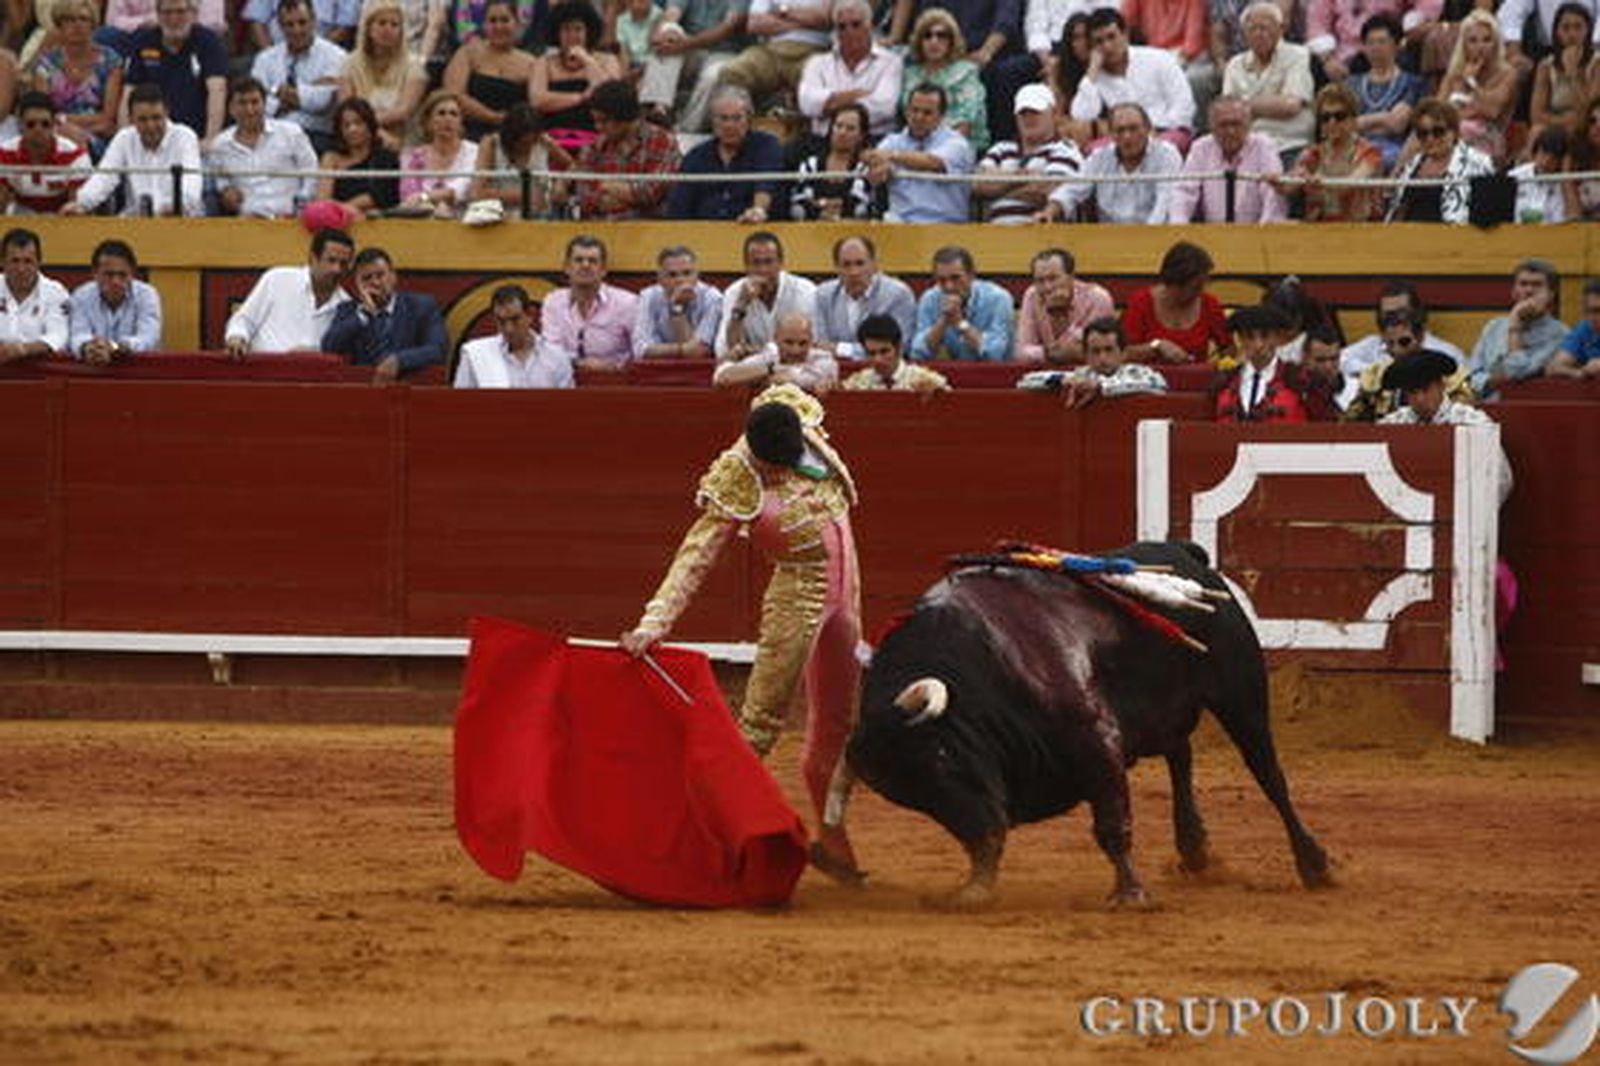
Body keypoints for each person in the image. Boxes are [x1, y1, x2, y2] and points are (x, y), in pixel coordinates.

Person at [620, 384, 867, 884]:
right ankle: (697, 839)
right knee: (757, 729)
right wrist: (653, 623)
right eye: (776, 466)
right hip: (796, 599)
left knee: (838, 726)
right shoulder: (738, 476)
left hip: (846, 600)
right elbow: (696, 555)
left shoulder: (798, 418)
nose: (787, 469)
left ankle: (834, 843)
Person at [1380, 348, 1513, 507]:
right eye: (1413, 392)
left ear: (1441, 386)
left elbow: (1501, 478)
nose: (1420, 399)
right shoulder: (1392, 425)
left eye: (1425, 390)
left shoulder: (1472, 423)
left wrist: (1470, 510)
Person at [61, 84, 204, 216]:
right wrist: (81, 204)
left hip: (180, 221)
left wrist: (171, 208)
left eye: (156, 118)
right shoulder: (124, 138)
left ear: (167, 113)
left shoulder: (185, 136)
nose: (150, 126)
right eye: (142, 120)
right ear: (131, 119)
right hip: (136, 222)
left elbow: (191, 190)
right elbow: (104, 177)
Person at [1069, 9, 1196, 147]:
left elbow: (1184, 105)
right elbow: (1081, 115)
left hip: (1168, 130)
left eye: (1111, 37)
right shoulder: (1096, 77)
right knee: (1093, 150)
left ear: (1125, 35)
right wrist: (1092, 71)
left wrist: (1156, 131)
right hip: (1125, 138)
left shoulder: (1158, 58)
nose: (1107, 46)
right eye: (1099, 41)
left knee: (1161, 148)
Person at [1039, 102, 1181, 224]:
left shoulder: (1167, 155)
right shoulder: (1100, 157)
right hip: (1107, 237)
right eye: (1120, 130)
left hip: (1155, 235)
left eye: (1133, 128)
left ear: (1148, 129)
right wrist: (1050, 211)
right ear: (1111, 134)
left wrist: (1145, 237)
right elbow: (1073, 189)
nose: (1127, 136)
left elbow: (1165, 205)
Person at [1338, 279, 1466, 413]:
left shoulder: (1448, 353)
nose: (1394, 318)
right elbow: (1339, 360)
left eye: (1401, 311)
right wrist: (1377, 372)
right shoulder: (1373, 344)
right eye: (1387, 314)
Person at [321, 248, 447, 383]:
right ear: (357, 284)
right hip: (364, 387)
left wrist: (399, 360)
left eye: (380, 275)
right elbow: (329, 347)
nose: (375, 283)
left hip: (407, 386)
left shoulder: (421, 306)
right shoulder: (349, 310)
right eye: (367, 278)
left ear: (393, 277)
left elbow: (437, 349)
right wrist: (363, 315)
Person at [224, 228, 354, 355]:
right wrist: (237, 337)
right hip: (264, 366)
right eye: (331, 260)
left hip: (312, 369)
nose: (337, 269)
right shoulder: (277, 279)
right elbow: (243, 320)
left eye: (343, 264)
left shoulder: (347, 305)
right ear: (313, 259)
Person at [208, 76, 321, 219]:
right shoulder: (220, 144)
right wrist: (226, 191)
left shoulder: (291, 132)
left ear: (265, 104)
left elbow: (312, 172)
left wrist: (301, 206)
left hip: (292, 219)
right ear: (231, 108)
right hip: (248, 222)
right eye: (242, 103)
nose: (249, 110)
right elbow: (222, 182)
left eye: (255, 102)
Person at [667, 85, 783, 222]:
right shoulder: (695, 156)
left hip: (750, 227)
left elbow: (766, 183)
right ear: (712, 121)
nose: (729, 125)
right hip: (703, 230)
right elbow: (679, 206)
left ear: (749, 119)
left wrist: (758, 210)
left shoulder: (766, 145)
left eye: (737, 118)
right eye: (723, 118)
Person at [570, 79, 681, 220]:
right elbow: (584, 195)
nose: (598, 127)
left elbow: (652, 192)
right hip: (600, 226)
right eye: (596, 121)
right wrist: (626, 196)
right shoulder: (594, 146)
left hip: (648, 227)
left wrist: (606, 186)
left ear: (625, 117)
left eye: (604, 121)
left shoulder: (662, 141)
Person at [973, 83, 1083, 224]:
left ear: (1054, 113)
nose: (1028, 118)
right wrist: (1019, 177)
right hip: (996, 233)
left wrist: (998, 187)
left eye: (1035, 112)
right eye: (1023, 113)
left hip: (1043, 232)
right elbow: (978, 184)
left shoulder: (1065, 149)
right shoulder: (1001, 148)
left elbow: (1049, 191)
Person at [865, 82, 974, 223]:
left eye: (927, 113)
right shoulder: (892, 141)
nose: (919, 117)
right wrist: (878, 167)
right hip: (900, 224)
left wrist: (893, 156)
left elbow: (933, 162)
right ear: (906, 111)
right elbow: (874, 160)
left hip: (946, 225)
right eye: (914, 110)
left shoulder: (957, 143)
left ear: (941, 116)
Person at [251, 0, 349, 156]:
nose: (296, 30)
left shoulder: (336, 56)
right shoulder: (265, 59)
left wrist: (281, 94)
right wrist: (307, 92)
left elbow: (323, 101)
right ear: (280, 26)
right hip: (272, 135)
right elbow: (256, 104)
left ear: (314, 21)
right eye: (289, 24)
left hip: (316, 136)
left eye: (302, 22)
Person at [120, 0, 227, 141]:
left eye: (180, 12)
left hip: (196, 136)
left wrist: (210, 139)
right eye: (167, 12)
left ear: (193, 14)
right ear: (158, 15)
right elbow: (128, 93)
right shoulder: (144, 42)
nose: (174, 19)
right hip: (151, 136)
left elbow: (217, 90)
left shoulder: (209, 42)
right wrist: (125, 138)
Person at [1170, 95, 1286, 223]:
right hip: (1213, 232)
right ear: (1211, 126)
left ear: (1249, 124)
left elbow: (1272, 195)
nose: (1230, 131)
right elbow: (1184, 192)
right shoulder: (1201, 147)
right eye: (1223, 125)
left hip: (1257, 231)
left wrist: (1264, 232)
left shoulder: (1264, 146)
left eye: (1236, 124)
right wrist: (1178, 227)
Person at [1222, 1, 1314, 162]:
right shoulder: (1235, 64)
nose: (1259, 34)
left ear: (1280, 30)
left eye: (1264, 28)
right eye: (1252, 29)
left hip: (1289, 143)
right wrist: (1273, 103)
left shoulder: (1298, 55)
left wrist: (1244, 104)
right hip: (1246, 146)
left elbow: (1290, 106)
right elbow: (1229, 112)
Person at [796, 0, 903, 138]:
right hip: (823, 139)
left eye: (856, 24)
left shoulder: (890, 62)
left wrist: (829, 104)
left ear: (870, 26)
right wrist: (856, 95)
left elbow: (884, 108)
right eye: (842, 27)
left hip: (872, 140)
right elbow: (807, 104)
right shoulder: (817, 63)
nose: (849, 31)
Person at [637, 0, 748, 132]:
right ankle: (659, 109)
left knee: (713, 75)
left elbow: (727, 28)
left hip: (724, 52)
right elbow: (672, 14)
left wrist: (685, 44)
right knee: (668, 32)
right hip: (690, 48)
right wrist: (667, 34)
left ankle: (686, 129)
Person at [29, 0, 123, 153]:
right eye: (69, 20)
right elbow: (42, 113)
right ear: (59, 26)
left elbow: (107, 118)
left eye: (83, 19)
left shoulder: (110, 60)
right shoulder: (46, 64)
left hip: (97, 134)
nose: (77, 25)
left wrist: (65, 121)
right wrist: (63, 127)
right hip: (54, 132)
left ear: (93, 25)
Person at [1465, 259, 1568, 399]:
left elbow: (1515, 373)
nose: (1529, 291)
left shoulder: (1561, 335)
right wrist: (1491, 380)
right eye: (1523, 284)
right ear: (1514, 292)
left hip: (1528, 407)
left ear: (1551, 294)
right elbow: (1470, 377)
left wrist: (1515, 327)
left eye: (1537, 285)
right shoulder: (1494, 327)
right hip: (1485, 405)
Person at [1212, 304, 1334, 422]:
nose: (1258, 345)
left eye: (1265, 336)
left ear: (1278, 338)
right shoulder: (1224, 382)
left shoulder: (1303, 379)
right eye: (1250, 337)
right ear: (1240, 339)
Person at [1384, 97, 1495, 223]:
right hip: (1407, 232)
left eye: (1438, 132)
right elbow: (1399, 208)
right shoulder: (1413, 163)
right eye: (1423, 133)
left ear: (1454, 132)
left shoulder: (1478, 162)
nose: (1430, 139)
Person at [531, 0, 623, 152]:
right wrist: (581, 97)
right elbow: (538, 100)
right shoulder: (544, 62)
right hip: (553, 142)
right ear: (557, 33)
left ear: (588, 31)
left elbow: (613, 96)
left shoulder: (608, 60)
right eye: (566, 30)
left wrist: (587, 60)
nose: (572, 35)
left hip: (597, 141)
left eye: (578, 29)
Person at [1282, 83, 1382, 223]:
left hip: (1360, 229)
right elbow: (1287, 188)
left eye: (1339, 116)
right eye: (1325, 118)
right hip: (1319, 229)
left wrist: (1322, 181)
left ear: (1353, 120)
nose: (1332, 123)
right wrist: (1280, 181)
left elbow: (1351, 183)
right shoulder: (1313, 154)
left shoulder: (1370, 153)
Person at [1017, 314, 1168, 406]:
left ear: (1123, 353)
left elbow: (1159, 384)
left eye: (1109, 350)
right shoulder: (1081, 375)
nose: (1102, 358)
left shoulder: (1138, 373)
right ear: (1085, 355)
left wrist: (1100, 386)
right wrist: (1061, 380)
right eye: (1095, 351)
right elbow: (1024, 381)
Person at [441, 0, 538, 141]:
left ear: (516, 24)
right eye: (492, 21)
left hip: (514, 137)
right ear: (484, 25)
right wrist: (492, 117)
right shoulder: (468, 53)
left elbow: (535, 105)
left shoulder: (531, 63)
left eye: (505, 20)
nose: (498, 26)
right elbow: (454, 94)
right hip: (469, 133)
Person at [543, 235, 640, 372]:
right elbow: (550, 351)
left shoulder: (627, 303)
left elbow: (640, 351)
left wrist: (614, 367)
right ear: (567, 267)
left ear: (603, 270)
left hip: (615, 379)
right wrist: (578, 363)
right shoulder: (554, 301)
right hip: (565, 377)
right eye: (578, 260)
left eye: (592, 261)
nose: (585, 265)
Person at [715, 231, 817, 362]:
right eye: (756, 263)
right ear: (746, 266)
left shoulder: (804, 291)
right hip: (751, 370)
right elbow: (724, 350)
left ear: (781, 263)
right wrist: (741, 306)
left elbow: (812, 346)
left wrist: (753, 351)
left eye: (769, 262)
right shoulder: (734, 292)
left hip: (796, 367)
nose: (763, 270)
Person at [1122, 240, 1230, 363]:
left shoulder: (1209, 304)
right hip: (1147, 374)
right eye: (1195, 287)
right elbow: (1124, 353)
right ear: (1174, 283)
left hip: (1197, 374)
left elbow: (1228, 349)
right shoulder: (1140, 303)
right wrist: (1156, 346)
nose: (1200, 292)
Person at [712, 0, 832, 112]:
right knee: (732, 72)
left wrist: (781, 11)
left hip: (811, 51)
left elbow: (824, 17)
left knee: (820, 79)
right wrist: (805, 23)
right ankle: (740, 121)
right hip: (771, 51)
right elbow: (754, 24)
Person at [898, 7, 989, 153]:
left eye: (941, 36)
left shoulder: (966, 72)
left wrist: (929, 153)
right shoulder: (910, 73)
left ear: (951, 41)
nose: (934, 41)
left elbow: (964, 124)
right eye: (927, 36)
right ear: (919, 41)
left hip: (956, 146)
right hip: (914, 143)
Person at [338, 0, 428, 147]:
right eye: (382, 23)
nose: (388, 29)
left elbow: (404, 111)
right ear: (368, 28)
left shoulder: (414, 66)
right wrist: (375, 131)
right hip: (357, 138)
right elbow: (345, 107)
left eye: (394, 25)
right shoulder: (349, 64)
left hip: (401, 140)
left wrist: (367, 125)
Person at [813, 235, 916, 360]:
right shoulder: (824, 295)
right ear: (836, 267)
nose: (854, 272)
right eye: (846, 265)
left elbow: (899, 347)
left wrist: (840, 349)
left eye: (860, 263)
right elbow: (821, 348)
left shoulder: (898, 295)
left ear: (874, 264)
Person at [454, 284, 574, 389]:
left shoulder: (557, 357)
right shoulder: (476, 355)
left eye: (515, 319)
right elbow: (461, 402)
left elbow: (567, 404)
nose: (509, 329)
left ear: (529, 316)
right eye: (501, 321)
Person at [1437, 9, 1517, 163]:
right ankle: (1399, 175)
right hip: (1451, 132)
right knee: (1420, 133)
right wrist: (1468, 110)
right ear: (1464, 45)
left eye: (1487, 40)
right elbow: (1437, 111)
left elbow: (1492, 112)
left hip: (1490, 136)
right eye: (1473, 41)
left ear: (1496, 43)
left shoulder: (1508, 74)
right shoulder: (1454, 73)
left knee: (1459, 130)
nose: (1480, 47)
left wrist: (1471, 82)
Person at [910, 245, 1014, 362]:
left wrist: (960, 323)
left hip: (994, 372)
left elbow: (994, 354)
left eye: (956, 278)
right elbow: (917, 354)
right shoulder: (929, 299)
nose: (949, 286)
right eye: (941, 280)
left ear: (971, 275)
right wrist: (944, 320)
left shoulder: (998, 299)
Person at [1348, 13, 1425, 171]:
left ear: (1396, 45)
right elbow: (1346, 126)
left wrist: (1363, 121)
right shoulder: (1351, 84)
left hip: (1396, 152)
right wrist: (1384, 118)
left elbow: (1397, 124)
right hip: (1354, 149)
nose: (1375, 48)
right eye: (1370, 42)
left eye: (1382, 42)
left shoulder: (1411, 83)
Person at [469, 103, 572, 220]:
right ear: (510, 137)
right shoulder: (491, 144)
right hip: (499, 217)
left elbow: (571, 165)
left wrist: (561, 184)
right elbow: (476, 193)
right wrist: (523, 195)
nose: (529, 147)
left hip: (540, 218)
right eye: (523, 143)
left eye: (533, 141)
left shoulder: (543, 141)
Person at [67, 238, 162, 364]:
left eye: (122, 275)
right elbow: (77, 335)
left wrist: (115, 347)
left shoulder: (147, 295)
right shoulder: (81, 296)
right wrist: (89, 347)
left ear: (132, 274)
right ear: (95, 273)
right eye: (109, 275)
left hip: (138, 369)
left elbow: (148, 338)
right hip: (93, 367)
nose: (115, 281)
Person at [1014, 247, 1114, 364]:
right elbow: (1021, 353)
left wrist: (1060, 316)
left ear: (1071, 277)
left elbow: (1096, 352)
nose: (1047, 287)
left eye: (1053, 278)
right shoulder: (1032, 295)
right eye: (1040, 281)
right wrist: (1050, 353)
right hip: (1043, 372)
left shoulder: (1098, 299)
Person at [0, 92, 91, 214]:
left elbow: (77, 207)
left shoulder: (75, 156)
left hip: (61, 216)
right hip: (20, 215)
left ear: (54, 124)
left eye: (45, 124)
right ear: (20, 125)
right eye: (31, 124)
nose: (38, 130)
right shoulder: (5, 153)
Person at [1528, 3, 1600, 152]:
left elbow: (1589, 112)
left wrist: (1573, 75)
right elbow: (1536, 115)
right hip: (1555, 129)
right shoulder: (1545, 66)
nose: (1572, 34)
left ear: (1588, 30)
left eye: (1578, 27)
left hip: (1590, 127)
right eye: (1566, 28)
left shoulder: (1597, 64)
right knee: (1537, 131)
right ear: (1557, 32)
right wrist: (1568, 120)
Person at [632, 245, 723, 360]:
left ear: (697, 275)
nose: (680, 280)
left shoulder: (712, 298)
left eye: (687, 273)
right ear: (660, 279)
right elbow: (640, 349)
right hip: (660, 367)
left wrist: (677, 309)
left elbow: (698, 353)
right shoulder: (648, 296)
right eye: (672, 275)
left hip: (699, 369)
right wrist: (682, 349)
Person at [316, 97, 401, 220]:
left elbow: (380, 196)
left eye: (358, 123)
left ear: (369, 125)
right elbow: (322, 198)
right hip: (335, 220)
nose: (352, 129)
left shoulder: (385, 157)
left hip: (375, 220)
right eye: (346, 125)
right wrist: (342, 211)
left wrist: (344, 209)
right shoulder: (331, 158)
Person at [789, 102, 877, 221]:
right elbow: (799, 201)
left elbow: (860, 205)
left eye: (850, 128)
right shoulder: (811, 164)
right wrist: (824, 208)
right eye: (838, 126)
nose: (842, 132)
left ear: (861, 135)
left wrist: (821, 204)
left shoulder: (863, 167)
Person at [399, 91, 478, 219]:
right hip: (423, 223)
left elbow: (462, 187)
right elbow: (409, 197)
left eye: (454, 114)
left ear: (461, 122)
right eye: (441, 113)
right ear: (428, 121)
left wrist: (425, 196)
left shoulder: (474, 152)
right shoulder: (412, 156)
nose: (448, 119)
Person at [713, 311, 839, 391]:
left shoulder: (824, 360)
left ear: (812, 340)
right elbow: (723, 377)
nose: (795, 350)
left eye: (803, 343)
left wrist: (756, 378)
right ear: (776, 339)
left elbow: (790, 381)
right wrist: (771, 369)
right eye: (788, 342)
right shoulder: (770, 355)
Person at [0, 228, 69, 364]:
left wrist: (23, 349)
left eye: (28, 261)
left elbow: (59, 336)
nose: (21, 269)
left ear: (39, 262)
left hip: (39, 370)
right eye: (14, 261)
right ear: (2, 262)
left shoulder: (55, 292)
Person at [839, 313, 950, 392]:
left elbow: (949, 397)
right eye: (871, 353)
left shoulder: (924, 379)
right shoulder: (858, 384)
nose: (878, 360)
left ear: (899, 348)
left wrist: (937, 391)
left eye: (884, 351)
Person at [1511, 126, 1569, 224]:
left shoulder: (1562, 185)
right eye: (1543, 153)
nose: (1546, 162)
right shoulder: (1514, 176)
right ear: (1536, 152)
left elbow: (1561, 221)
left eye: (1553, 159)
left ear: (1560, 161)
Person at [1546, 278, 1600, 379]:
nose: (1596, 317)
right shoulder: (1584, 329)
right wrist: (1581, 373)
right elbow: (1553, 367)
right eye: (1594, 311)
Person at [1563, 95, 1600, 221]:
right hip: (1584, 227)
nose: (1598, 126)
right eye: (1592, 120)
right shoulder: (1574, 156)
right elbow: (1573, 214)